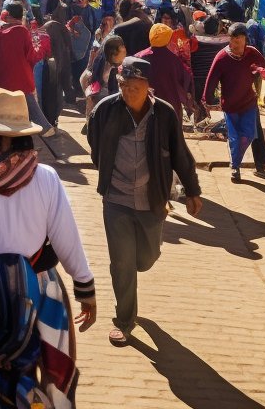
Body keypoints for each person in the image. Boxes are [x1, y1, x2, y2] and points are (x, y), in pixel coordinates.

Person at [0, 88, 96, 406]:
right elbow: (66, 239)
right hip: (37, 295)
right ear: (25, 139)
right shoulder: (46, 179)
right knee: (34, 379)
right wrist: (85, 288)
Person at [88, 56, 202, 347]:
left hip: (152, 200)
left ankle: (136, 268)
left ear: (148, 86)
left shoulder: (164, 115)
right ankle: (125, 320)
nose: (127, 92)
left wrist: (192, 190)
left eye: (134, 88)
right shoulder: (105, 110)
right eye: (123, 85)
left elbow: (180, 154)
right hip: (116, 199)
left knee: (146, 259)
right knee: (122, 262)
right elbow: (95, 145)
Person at [203, 22, 265, 182]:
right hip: (230, 106)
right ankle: (235, 167)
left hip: (249, 103)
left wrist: (259, 70)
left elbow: (264, 66)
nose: (234, 44)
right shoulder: (222, 57)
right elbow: (211, 80)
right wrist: (207, 99)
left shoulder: (252, 53)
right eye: (232, 40)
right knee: (234, 137)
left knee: (248, 135)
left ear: (245, 39)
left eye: (238, 40)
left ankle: (238, 160)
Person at [0, 1, 54, 135]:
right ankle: (46, 129)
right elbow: (33, 56)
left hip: (2, 80)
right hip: (22, 81)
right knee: (31, 105)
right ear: (21, 16)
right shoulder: (22, 31)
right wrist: (41, 46)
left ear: (7, 14)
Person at [142, 22, 193, 121]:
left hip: (145, 105)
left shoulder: (140, 57)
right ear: (168, 39)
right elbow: (185, 81)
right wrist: (188, 100)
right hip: (170, 106)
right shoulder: (174, 60)